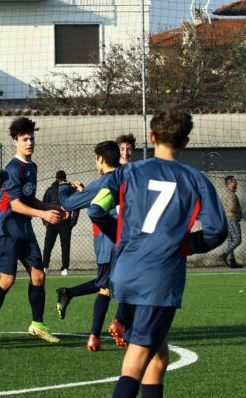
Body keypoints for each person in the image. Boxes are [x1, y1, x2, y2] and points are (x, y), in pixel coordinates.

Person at [88, 109, 227, 398]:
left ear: (151, 138)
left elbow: (96, 207)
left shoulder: (128, 172)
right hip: (159, 277)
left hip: (125, 273)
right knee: (137, 357)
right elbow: (217, 231)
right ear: (186, 141)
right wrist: (186, 245)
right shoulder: (195, 179)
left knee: (158, 355)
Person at [0, 117, 64, 345]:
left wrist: (51, 206)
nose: (29, 142)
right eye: (24, 139)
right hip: (6, 230)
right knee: (7, 280)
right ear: (15, 142)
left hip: (24, 229)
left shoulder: (32, 167)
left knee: (38, 276)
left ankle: (37, 324)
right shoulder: (12, 168)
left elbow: (29, 198)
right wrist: (43, 215)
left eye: (31, 138)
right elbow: (15, 204)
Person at [57, 141, 120, 351]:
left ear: (101, 159)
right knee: (112, 286)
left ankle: (100, 334)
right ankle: (113, 328)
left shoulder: (101, 183)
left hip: (107, 244)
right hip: (128, 243)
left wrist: (63, 189)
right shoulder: (128, 180)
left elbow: (67, 204)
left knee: (107, 288)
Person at [42, 170, 79, 276]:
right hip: (54, 221)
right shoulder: (52, 190)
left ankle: (61, 267)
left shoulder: (68, 189)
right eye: (61, 178)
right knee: (51, 244)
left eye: (62, 178)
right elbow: (44, 204)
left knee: (61, 245)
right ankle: (48, 266)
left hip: (61, 222)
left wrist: (73, 221)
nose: (62, 180)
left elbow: (76, 205)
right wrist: (45, 221)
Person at [219, 175, 243, 268]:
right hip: (232, 219)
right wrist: (239, 213)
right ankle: (224, 254)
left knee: (231, 240)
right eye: (234, 181)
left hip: (227, 219)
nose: (236, 182)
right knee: (237, 240)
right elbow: (232, 207)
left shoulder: (227, 193)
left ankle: (232, 261)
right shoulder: (231, 195)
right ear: (229, 183)